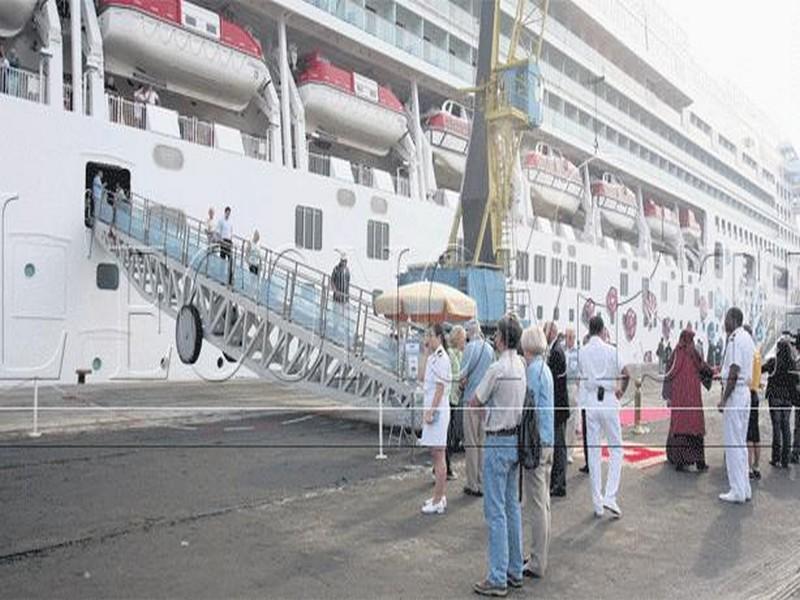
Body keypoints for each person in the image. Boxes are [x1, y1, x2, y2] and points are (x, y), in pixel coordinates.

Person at [467, 315, 526, 596]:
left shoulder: (497, 368)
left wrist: (487, 415)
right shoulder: (522, 365)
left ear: (502, 338)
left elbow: (474, 401)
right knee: (512, 506)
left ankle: (497, 576)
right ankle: (515, 569)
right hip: (516, 439)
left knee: (495, 511)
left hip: (498, 440)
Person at [579, 315, 630, 518]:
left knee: (593, 453)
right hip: (608, 399)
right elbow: (627, 373)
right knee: (616, 449)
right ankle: (610, 495)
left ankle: (597, 504)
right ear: (602, 330)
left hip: (591, 401)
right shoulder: (611, 350)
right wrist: (621, 391)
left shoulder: (582, 352)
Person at [520, 325, 554, 580]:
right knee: (544, 502)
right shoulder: (547, 369)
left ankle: (537, 560)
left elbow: (526, 407)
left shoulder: (532, 371)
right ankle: (541, 556)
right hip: (548, 440)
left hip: (536, 442)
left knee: (535, 504)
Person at [717, 307, 755, 504]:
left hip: (735, 395)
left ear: (733, 319)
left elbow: (734, 369)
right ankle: (744, 488)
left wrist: (724, 398)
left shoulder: (734, 339)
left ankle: (736, 490)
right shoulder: (747, 338)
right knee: (740, 443)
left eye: (726, 319)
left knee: (733, 443)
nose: (724, 323)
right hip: (745, 393)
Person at [664, 329, 711, 472]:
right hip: (692, 399)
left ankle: (680, 462)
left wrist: (668, 396)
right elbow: (703, 367)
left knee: (680, 427)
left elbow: (668, 373)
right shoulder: (693, 353)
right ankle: (699, 462)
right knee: (695, 427)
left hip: (679, 399)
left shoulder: (675, 353)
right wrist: (712, 372)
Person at [459, 320, 494, 497]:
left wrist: (462, 384)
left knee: (471, 443)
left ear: (469, 332)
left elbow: (462, 376)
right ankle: (482, 480)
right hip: (485, 401)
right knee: (483, 443)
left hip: (471, 401)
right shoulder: (489, 349)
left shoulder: (469, 348)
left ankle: (473, 484)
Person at [420, 324, 452, 515]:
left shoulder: (442, 358)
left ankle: (439, 499)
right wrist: (424, 353)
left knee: (439, 454)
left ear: (439, 337)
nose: (428, 338)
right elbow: (421, 376)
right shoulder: (433, 357)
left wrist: (431, 411)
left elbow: (440, 388)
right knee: (435, 453)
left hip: (438, 410)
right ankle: (438, 495)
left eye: (430, 335)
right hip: (432, 408)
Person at [762, 339, 797, 469]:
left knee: (776, 427)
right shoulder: (792, 364)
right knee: (786, 426)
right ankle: (785, 459)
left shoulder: (774, 362)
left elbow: (761, 369)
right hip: (787, 398)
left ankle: (775, 458)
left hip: (775, 397)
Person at [544, 322, 569, 497]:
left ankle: (559, 484)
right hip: (558, 406)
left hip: (558, 407)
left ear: (551, 332)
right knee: (557, 445)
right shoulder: (554, 350)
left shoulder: (556, 352)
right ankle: (556, 481)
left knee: (559, 446)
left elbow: (553, 381)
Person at [445, 325, 466, 479]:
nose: (465, 341)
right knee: (448, 433)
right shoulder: (451, 354)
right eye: (463, 338)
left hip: (455, 397)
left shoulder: (459, 354)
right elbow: (451, 375)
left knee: (451, 432)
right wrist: (461, 378)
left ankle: (445, 464)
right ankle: (445, 466)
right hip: (450, 397)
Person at [744, 324, 762, 480]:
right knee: (756, 434)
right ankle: (757, 466)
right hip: (756, 393)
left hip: (747, 394)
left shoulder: (747, 352)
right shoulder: (757, 352)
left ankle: (748, 468)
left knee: (748, 435)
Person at [564, 328, 579, 464]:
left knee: (572, 420)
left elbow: (579, 372)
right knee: (562, 419)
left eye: (571, 337)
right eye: (567, 336)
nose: (569, 339)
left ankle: (569, 451)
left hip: (573, 386)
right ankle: (561, 449)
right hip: (562, 387)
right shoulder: (561, 350)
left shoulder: (578, 353)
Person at [331, 256, 351, 348]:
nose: (344, 263)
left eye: (345, 261)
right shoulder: (336, 269)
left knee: (345, 318)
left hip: (345, 299)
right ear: (340, 261)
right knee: (336, 317)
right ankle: (335, 335)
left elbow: (348, 283)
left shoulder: (347, 271)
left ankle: (343, 337)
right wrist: (335, 291)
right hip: (337, 298)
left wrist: (347, 296)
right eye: (343, 261)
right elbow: (332, 281)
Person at [216, 206, 233, 284]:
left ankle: (230, 278)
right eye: (227, 213)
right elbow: (218, 231)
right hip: (223, 240)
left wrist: (231, 241)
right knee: (222, 259)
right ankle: (221, 276)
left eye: (229, 213)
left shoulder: (230, 222)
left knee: (230, 259)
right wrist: (220, 240)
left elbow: (231, 232)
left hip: (229, 241)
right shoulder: (221, 220)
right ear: (225, 212)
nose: (228, 214)